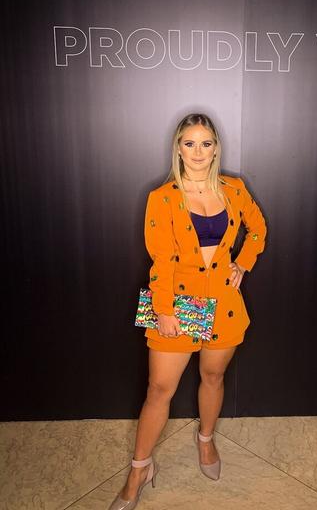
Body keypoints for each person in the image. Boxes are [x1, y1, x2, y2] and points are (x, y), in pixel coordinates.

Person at [109, 113, 267, 509]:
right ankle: (139, 470)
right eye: (189, 143)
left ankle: (206, 440)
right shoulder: (162, 197)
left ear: (216, 148)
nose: (198, 152)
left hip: (224, 304)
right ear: (178, 148)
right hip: (177, 304)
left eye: (206, 143)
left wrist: (243, 262)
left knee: (213, 377)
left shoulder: (234, 188)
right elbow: (160, 260)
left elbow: (258, 228)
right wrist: (164, 310)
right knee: (159, 390)